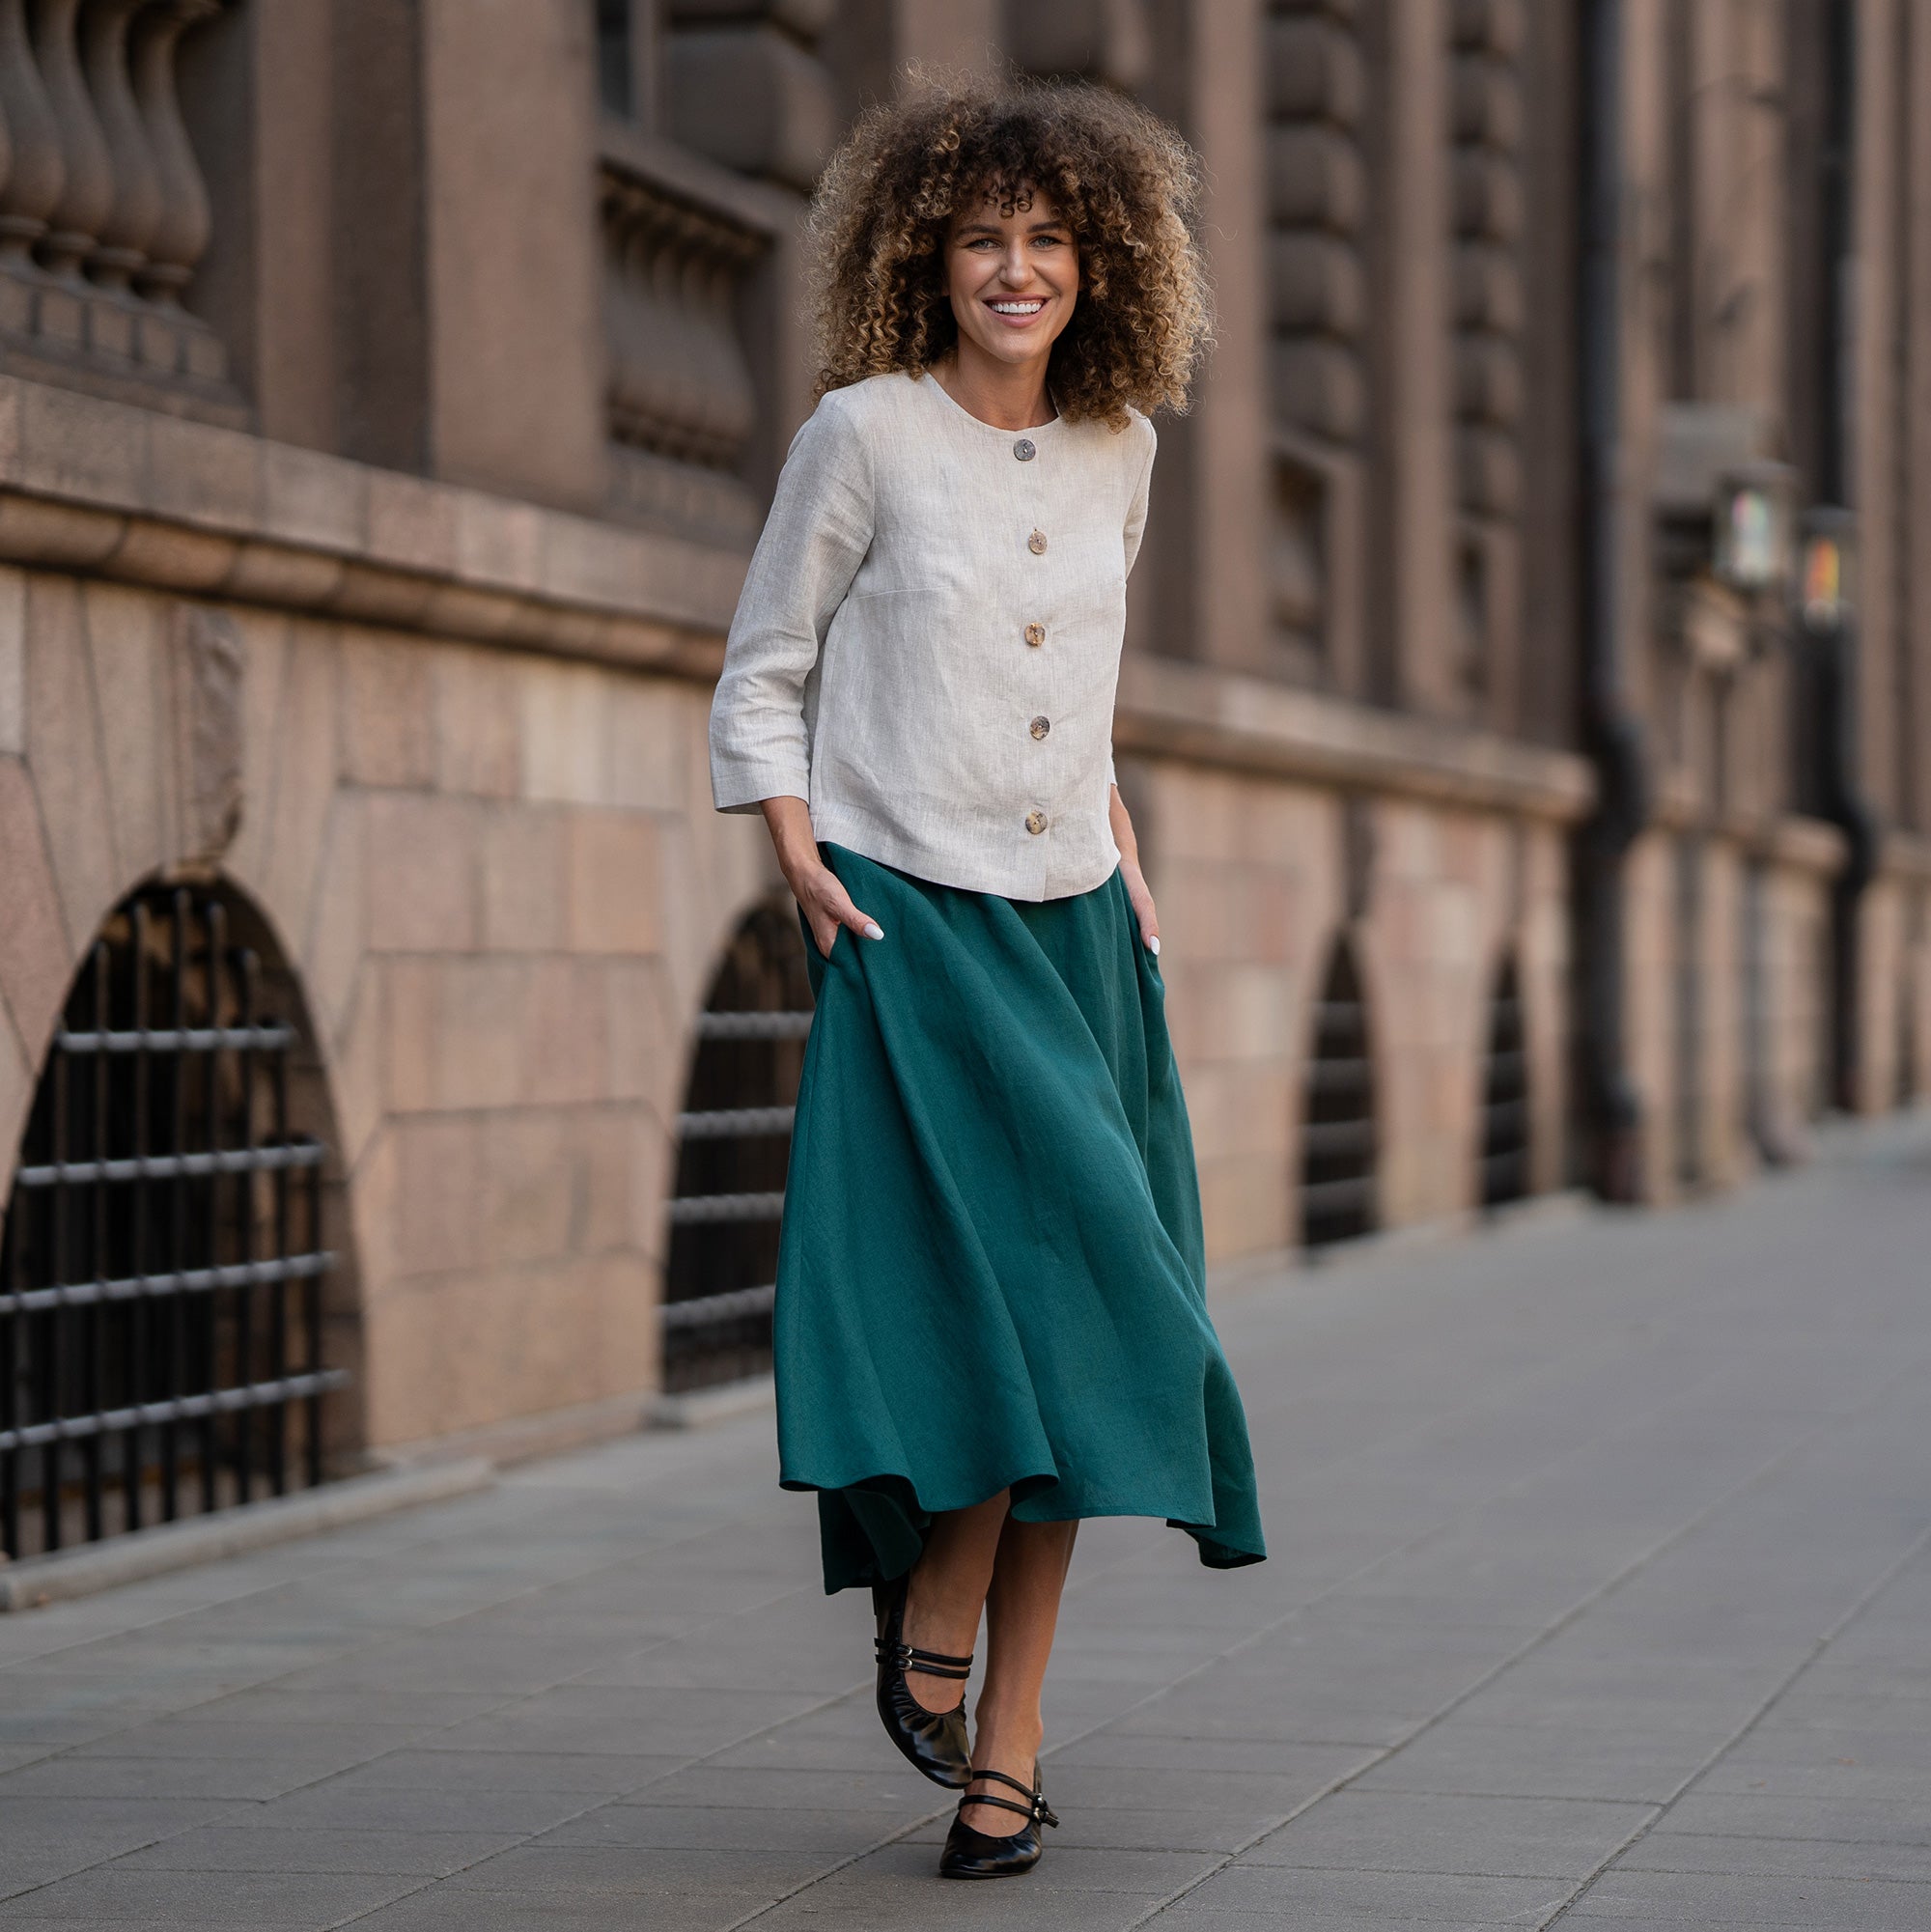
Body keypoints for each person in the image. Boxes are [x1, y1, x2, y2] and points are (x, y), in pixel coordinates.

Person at [708, 72, 1265, 1882]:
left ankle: (1002, 1745)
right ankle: (943, 1581)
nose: (1014, 271)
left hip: (1081, 921)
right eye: (980, 241)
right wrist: (792, 848)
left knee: (1105, 1319)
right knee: (980, 1315)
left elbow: (1069, 681)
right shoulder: (861, 435)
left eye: (1045, 241)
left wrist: (1119, 827)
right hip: (912, 921)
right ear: (925, 260)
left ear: (1101, 264)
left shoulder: (1127, 447)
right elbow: (766, 667)